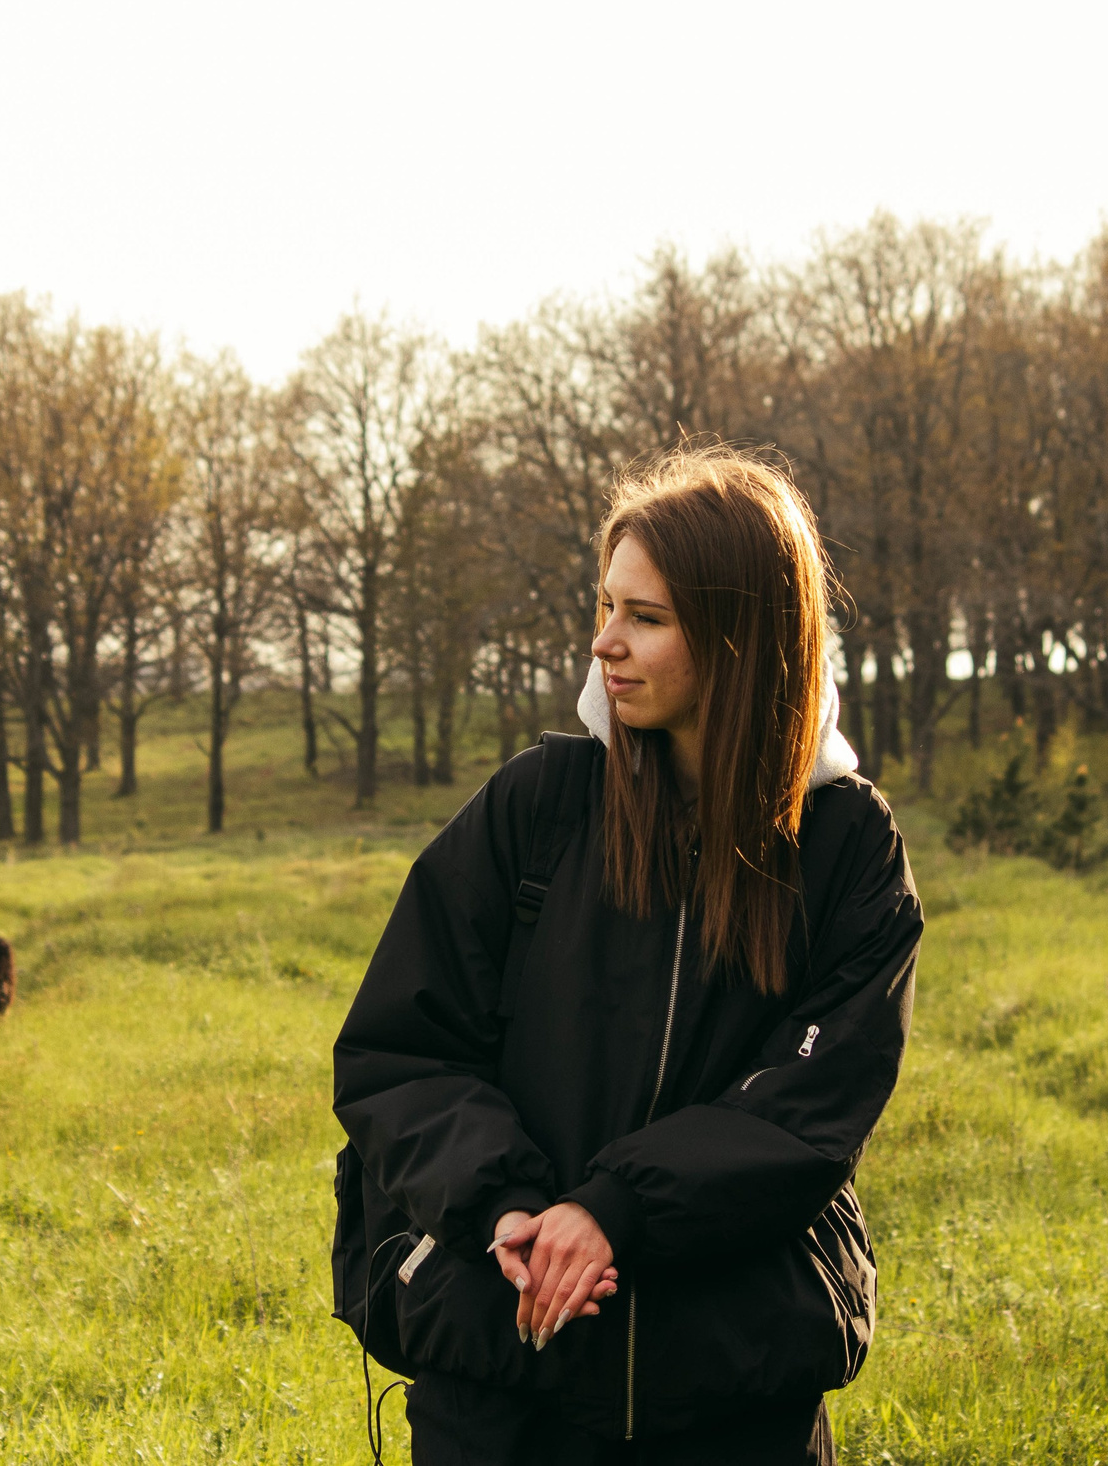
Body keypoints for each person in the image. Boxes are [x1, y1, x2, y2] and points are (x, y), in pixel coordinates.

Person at [332, 445, 922, 1465]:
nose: (605, 641)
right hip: (506, 1373)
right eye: (606, 607)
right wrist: (508, 1203)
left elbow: (809, 1105)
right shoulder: (538, 806)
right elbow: (400, 1053)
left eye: (645, 617)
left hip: (733, 1389)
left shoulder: (846, 846)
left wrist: (615, 1209)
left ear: (742, 637)